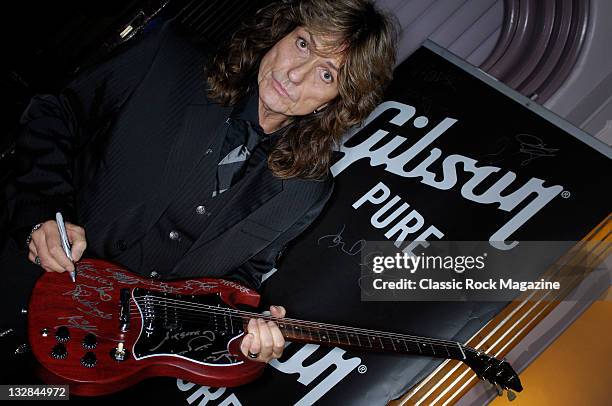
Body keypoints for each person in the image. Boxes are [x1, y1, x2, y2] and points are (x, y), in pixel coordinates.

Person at [3, 0, 398, 365]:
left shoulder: (308, 191)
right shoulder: (169, 58)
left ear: (336, 102)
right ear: (281, 31)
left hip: (102, 358)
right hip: (19, 278)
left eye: (326, 74)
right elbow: (56, 115)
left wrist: (245, 327)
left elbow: (238, 277)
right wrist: (41, 215)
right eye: (302, 44)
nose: (296, 74)